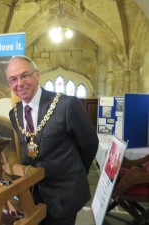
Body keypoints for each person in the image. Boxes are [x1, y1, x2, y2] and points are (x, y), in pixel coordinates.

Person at [6, 55, 99, 225]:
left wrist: (74, 172)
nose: (19, 83)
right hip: (33, 197)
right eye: (13, 79)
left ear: (37, 75)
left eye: (24, 75)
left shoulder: (66, 105)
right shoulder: (15, 114)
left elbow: (90, 144)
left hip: (64, 195)